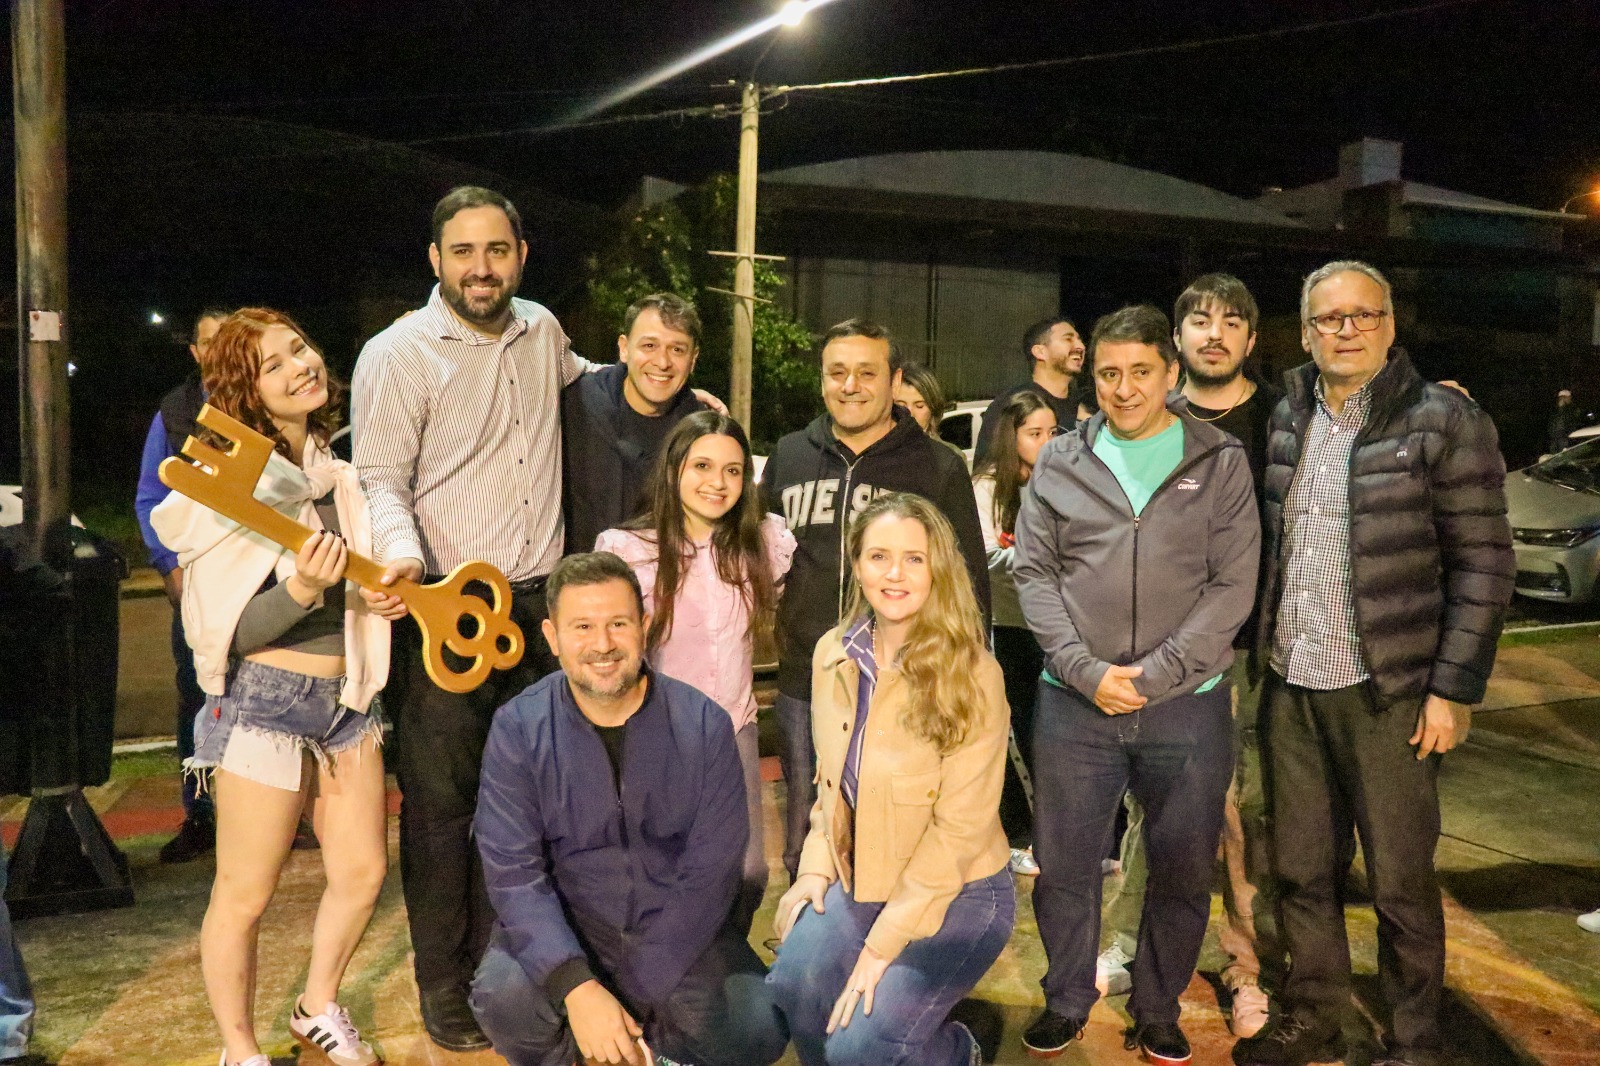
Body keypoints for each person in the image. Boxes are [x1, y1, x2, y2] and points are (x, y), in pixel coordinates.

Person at [1234, 261, 1515, 1066]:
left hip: (1390, 693)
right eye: (1329, 320)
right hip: (1293, 686)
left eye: (1363, 316)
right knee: (1300, 872)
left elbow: (1485, 564)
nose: (1346, 330)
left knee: (1399, 883)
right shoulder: (1288, 415)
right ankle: (1316, 1011)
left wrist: (1452, 689)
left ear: (1390, 325)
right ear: (1307, 330)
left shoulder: (1442, 420)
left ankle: (1415, 1040)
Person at [350, 186, 591, 1050]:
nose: (480, 269)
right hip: (447, 610)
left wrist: (676, 396)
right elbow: (379, 477)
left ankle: (506, 968)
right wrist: (402, 559)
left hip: (536, 609)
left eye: (496, 250)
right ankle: (442, 983)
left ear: (521, 253)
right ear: (435, 260)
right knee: (443, 810)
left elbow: (593, 390)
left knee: (524, 805)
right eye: (462, 252)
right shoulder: (399, 353)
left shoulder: (544, 330)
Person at [151, 308, 406, 1066]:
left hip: (349, 702)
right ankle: (238, 1048)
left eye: (300, 346)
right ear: (247, 391)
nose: (300, 365)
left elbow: (354, 587)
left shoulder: (339, 472)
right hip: (264, 705)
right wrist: (296, 589)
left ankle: (316, 1004)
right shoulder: (228, 487)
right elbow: (222, 634)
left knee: (363, 874)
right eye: (273, 363)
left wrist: (378, 594)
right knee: (245, 893)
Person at [1015, 304, 1260, 1065]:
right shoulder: (1060, 460)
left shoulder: (1218, 460)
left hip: (1185, 706)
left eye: (1141, 373)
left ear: (1173, 374)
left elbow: (1233, 585)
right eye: (1110, 374)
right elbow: (1035, 572)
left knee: (1184, 865)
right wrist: (1088, 673)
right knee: (1065, 864)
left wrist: (1156, 676)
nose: (1124, 389)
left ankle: (1159, 1008)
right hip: (1074, 704)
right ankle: (1065, 1000)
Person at [469, 552, 788, 1066]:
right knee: (503, 996)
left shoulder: (703, 725)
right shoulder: (519, 729)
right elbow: (513, 874)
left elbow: (712, 871)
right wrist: (577, 987)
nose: (601, 645)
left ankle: (660, 1052)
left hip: (676, 932)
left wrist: (643, 983)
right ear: (552, 637)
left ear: (644, 627)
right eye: (582, 627)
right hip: (569, 926)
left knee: (755, 1022)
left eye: (618, 624)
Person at [1098, 274, 1283, 1037]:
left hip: (1249, 649)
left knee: (1242, 820)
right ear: (1175, 342)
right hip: (1158, 654)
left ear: (1250, 338)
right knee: (1157, 806)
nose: (1214, 333)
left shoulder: (1283, 416)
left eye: (1231, 321)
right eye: (1198, 321)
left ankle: (1247, 967)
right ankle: (1129, 945)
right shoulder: (1148, 415)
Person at [767, 492, 1014, 1066]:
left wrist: (880, 947)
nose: (894, 574)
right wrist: (815, 870)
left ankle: (959, 1051)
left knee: (861, 1047)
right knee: (796, 987)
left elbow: (958, 833)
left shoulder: (973, 673)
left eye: (914, 559)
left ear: (938, 570)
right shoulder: (834, 653)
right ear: (856, 564)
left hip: (959, 892)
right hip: (864, 875)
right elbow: (832, 786)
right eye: (878, 556)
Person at [761, 319, 990, 885]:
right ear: (821, 382)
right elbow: (757, 559)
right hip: (806, 683)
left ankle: (884, 961)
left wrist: (969, 675)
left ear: (894, 380)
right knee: (808, 839)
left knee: (900, 844)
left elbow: (968, 582)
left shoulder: (936, 465)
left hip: (908, 681)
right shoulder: (790, 457)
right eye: (837, 372)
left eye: (867, 372)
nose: (851, 385)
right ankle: (811, 951)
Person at [595, 410, 795, 933]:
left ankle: (723, 958)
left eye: (733, 471)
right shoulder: (629, 550)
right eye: (703, 466)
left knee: (749, 871)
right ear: (674, 470)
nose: (718, 482)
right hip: (656, 735)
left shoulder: (763, 543)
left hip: (733, 727)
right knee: (663, 873)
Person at [134, 307, 228, 864]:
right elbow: (150, 497)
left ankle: (282, 813)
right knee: (197, 699)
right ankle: (200, 817)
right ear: (194, 352)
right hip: (195, 582)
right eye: (209, 343)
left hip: (259, 587)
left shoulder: (266, 400)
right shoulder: (175, 413)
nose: (219, 352)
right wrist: (168, 567)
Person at [970, 390, 1058, 877]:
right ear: (1011, 436)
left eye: (1052, 432)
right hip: (1007, 624)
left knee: (1054, 736)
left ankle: (1058, 838)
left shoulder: (1061, 479)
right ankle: (1019, 835)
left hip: (1056, 625)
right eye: (1034, 433)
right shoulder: (986, 486)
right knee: (1019, 730)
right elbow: (985, 554)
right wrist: (1038, 558)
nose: (1046, 442)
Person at [562, 293, 708, 555]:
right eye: (649, 346)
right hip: (575, 584)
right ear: (624, 348)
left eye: (677, 349)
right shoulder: (575, 404)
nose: (662, 362)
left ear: (693, 359)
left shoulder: (703, 434)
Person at [974, 316, 1084, 463]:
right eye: (1068, 339)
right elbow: (988, 470)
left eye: (1080, 340)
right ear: (1040, 352)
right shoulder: (1012, 404)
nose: (1081, 346)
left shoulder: (1086, 404)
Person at [1548, 387, 1582, 454]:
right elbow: (1551, 424)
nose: (1569, 399)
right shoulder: (1554, 410)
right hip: (1554, 439)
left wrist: (1567, 435)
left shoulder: (1572, 409)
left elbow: (1575, 423)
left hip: (1565, 438)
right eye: (1568, 397)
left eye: (1569, 397)